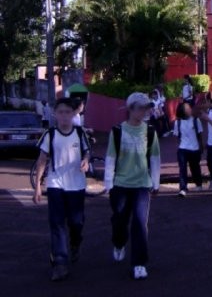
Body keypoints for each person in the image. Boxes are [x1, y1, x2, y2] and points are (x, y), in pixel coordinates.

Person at [32, 98, 91, 282]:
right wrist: (37, 187)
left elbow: (87, 152)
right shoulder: (50, 134)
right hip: (56, 184)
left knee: (76, 222)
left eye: (68, 112)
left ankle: (75, 242)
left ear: (74, 114)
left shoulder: (80, 133)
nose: (64, 116)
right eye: (61, 112)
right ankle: (60, 262)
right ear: (55, 114)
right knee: (57, 223)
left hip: (77, 185)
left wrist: (86, 160)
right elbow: (42, 160)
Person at [104, 92, 160, 280]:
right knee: (120, 220)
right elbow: (111, 158)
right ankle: (119, 243)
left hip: (142, 184)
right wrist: (108, 183)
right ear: (130, 109)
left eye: (146, 107)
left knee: (139, 221)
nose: (144, 111)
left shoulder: (150, 131)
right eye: (140, 107)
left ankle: (139, 263)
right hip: (120, 184)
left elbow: (154, 158)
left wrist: (156, 182)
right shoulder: (117, 131)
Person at [173, 102, 204, 197]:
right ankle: (183, 188)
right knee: (182, 168)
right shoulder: (177, 122)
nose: (190, 109)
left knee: (195, 167)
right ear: (183, 111)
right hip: (183, 148)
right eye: (187, 108)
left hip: (194, 148)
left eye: (189, 108)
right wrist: (180, 145)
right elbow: (177, 136)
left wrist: (201, 146)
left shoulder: (196, 120)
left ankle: (199, 184)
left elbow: (200, 134)